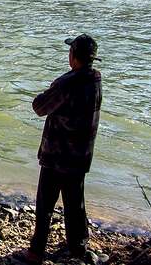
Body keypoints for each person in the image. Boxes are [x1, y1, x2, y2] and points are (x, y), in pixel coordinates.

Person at [14, 34, 103, 265]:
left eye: (70, 51)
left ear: (73, 56)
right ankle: (77, 248)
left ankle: (36, 252)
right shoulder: (95, 80)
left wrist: (46, 91)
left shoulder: (66, 83)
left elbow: (39, 107)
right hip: (80, 156)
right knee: (75, 204)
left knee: (45, 205)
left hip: (56, 156)